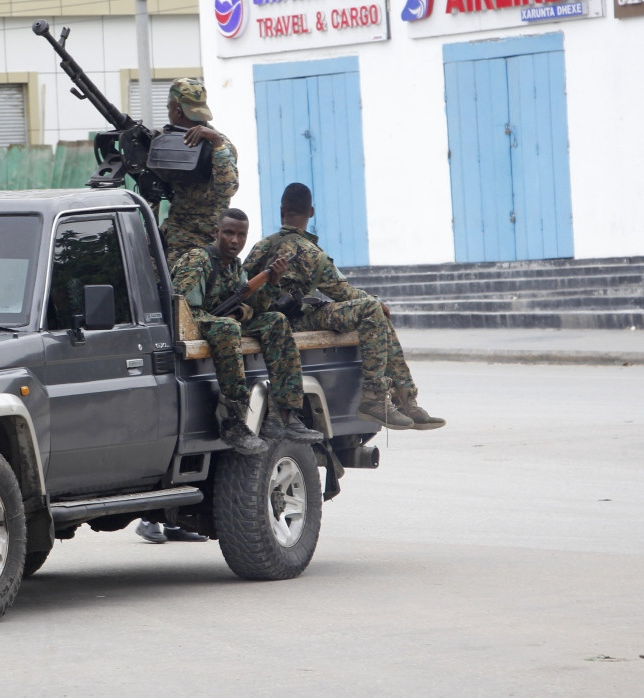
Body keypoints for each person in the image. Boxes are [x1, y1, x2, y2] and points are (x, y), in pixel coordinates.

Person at [136, 207, 321, 544]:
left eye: (240, 235)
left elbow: (255, 306)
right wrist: (230, 316)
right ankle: (233, 417)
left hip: (221, 321)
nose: (235, 240)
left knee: (276, 322)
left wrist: (269, 285)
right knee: (225, 327)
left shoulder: (235, 266)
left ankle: (287, 412)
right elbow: (181, 307)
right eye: (228, 233)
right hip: (193, 324)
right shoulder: (199, 260)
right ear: (215, 232)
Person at [244, 183, 445, 430]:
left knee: (372, 308)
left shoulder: (261, 247)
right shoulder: (310, 252)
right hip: (294, 322)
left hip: (266, 321)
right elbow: (342, 293)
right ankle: (382, 397)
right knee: (372, 309)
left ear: (281, 211)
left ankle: (404, 399)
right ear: (312, 212)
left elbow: (243, 285)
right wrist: (375, 301)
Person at [159, 78, 239, 266]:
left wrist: (216, 144)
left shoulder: (220, 145)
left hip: (203, 249)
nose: (168, 113)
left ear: (177, 111)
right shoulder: (172, 141)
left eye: (168, 108)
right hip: (173, 239)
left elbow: (228, 188)